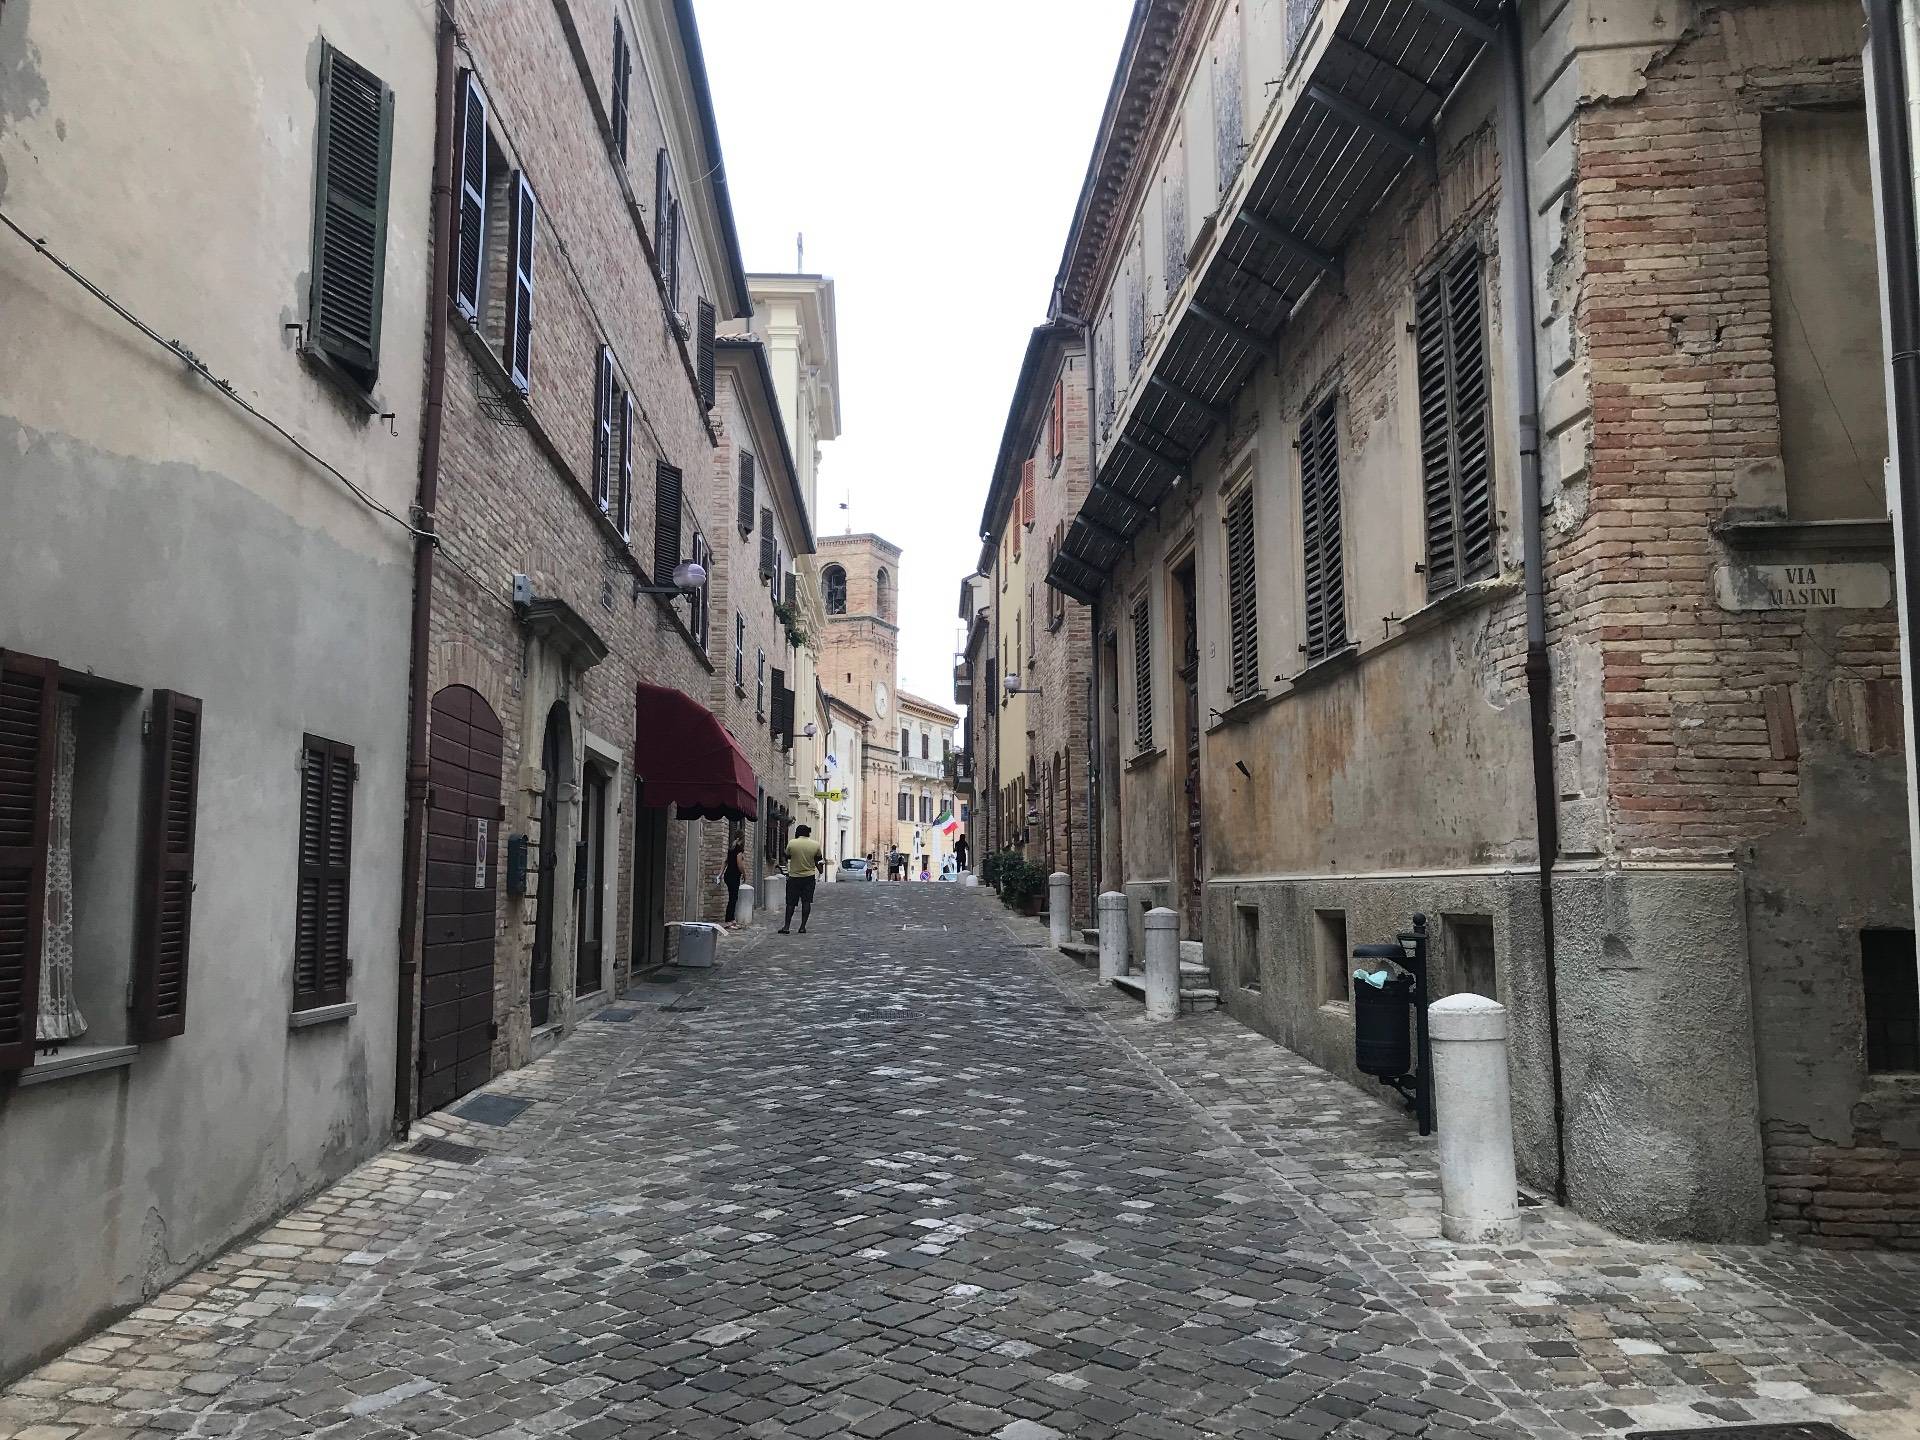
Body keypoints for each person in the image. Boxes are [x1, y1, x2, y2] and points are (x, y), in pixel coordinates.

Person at [778, 824, 823, 934]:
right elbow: (818, 860)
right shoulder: (815, 845)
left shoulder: (792, 843)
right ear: (808, 833)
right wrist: (820, 870)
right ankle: (802, 927)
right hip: (809, 877)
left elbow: (787, 856)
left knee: (790, 903)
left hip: (794, 877)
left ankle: (787, 927)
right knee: (806, 902)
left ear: (797, 832)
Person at [722, 841, 745, 926]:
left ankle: (731, 919)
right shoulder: (739, 849)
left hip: (727, 875)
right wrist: (744, 874)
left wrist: (721, 874)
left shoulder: (730, 849)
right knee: (733, 898)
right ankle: (729, 919)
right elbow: (739, 864)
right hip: (734, 876)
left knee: (732, 897)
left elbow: (725, 862)